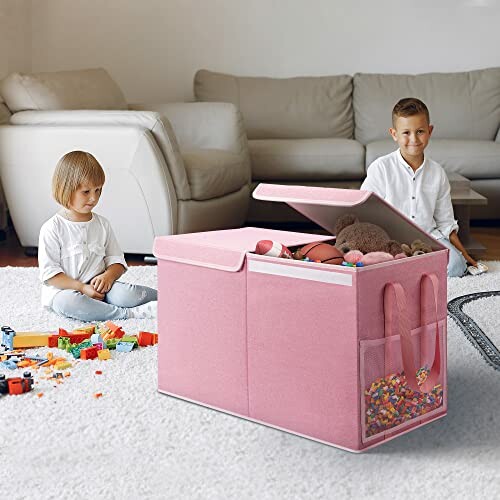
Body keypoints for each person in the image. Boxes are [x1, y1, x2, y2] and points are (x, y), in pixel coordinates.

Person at [361, 97, 487, 278]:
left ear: (429, 131)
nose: (413, 139)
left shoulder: (437, 173)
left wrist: (465, 256)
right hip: (392, 240)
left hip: (429, 238)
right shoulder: (381, 168)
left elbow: (446, 223)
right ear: (394, 134)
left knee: (456, 267)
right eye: (406, 133)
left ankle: (409, 270)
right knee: (376, 264)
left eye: (420, 131)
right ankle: (414, 270)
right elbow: (365, 210)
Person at [38, 150, 158, 321]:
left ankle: (169, 298)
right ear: (65, 189)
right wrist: (81, 288)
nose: (93, 198)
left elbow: (116, 261)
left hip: (103, 290)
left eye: (98, 190)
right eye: (86, 192)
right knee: (66, 303)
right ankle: (127, 314)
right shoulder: (52, 228)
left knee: (127, 294)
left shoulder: (102, 224)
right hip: (66, 292)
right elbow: (50, 276)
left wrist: (108, 276)